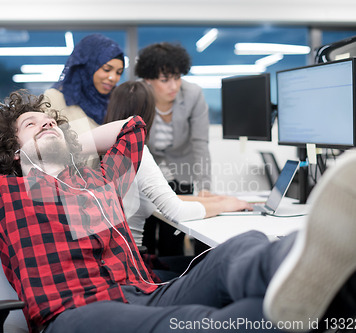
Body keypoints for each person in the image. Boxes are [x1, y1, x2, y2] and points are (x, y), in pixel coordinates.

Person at [0, 89, 356, 333]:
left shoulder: (99, 180)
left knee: (244, 249)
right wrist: (6, 148)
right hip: (75, 313)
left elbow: (134, 127)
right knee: (209, 323)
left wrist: (67, 139)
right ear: (11, 154)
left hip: (145, 292)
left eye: (51, 121)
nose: (46, 125)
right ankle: (348, 294)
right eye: (32, 126)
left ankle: (346, 265)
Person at [104, 81, 251, 271]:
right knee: (211, 265)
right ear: (148, 113)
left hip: (115, 261)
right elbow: (177, 211)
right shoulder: (137, 150)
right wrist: (226, 205)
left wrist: (216, 200)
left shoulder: (109, 148)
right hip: (131, 268)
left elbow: (163, 198)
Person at [135, 42, 213, 256]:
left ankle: (174, 281)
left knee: (175, 235)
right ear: (148, 80)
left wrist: (205, 187)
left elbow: (200, 143)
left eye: (177, 77)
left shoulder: (193, 94)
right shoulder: (139, 95)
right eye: (165, 79)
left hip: (182, 168)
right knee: (147, 233)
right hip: (148, 172)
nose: (174, 85)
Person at [44, 34, 124, 137]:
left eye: (119, 72)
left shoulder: (115, 102)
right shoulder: (54, 99)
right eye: (106, 69)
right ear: (88, 66)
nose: (113, 78)